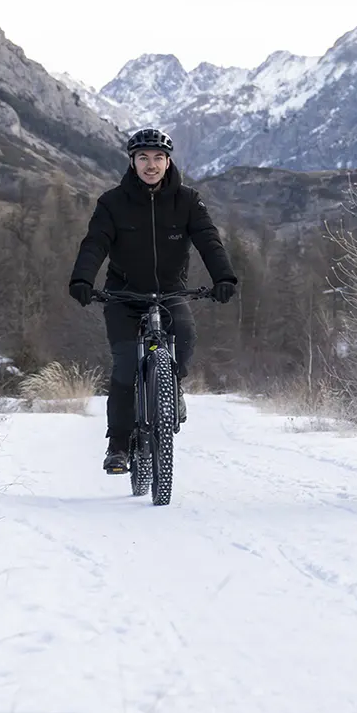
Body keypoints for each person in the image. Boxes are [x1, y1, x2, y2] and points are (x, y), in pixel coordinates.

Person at [68, 128, 238, 474]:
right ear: (132, 162)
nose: (151, 164)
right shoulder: (112, 202)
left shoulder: (188, 200)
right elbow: (95, 242)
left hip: (169, 294)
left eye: (158, 158)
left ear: (168, 161)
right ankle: (117, 447)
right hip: (124, 296)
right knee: (126, 362)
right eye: (143, 157)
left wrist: (224, 278)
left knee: (186, 338)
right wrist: (83, 279)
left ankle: (171, 387)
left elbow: (208, 240)